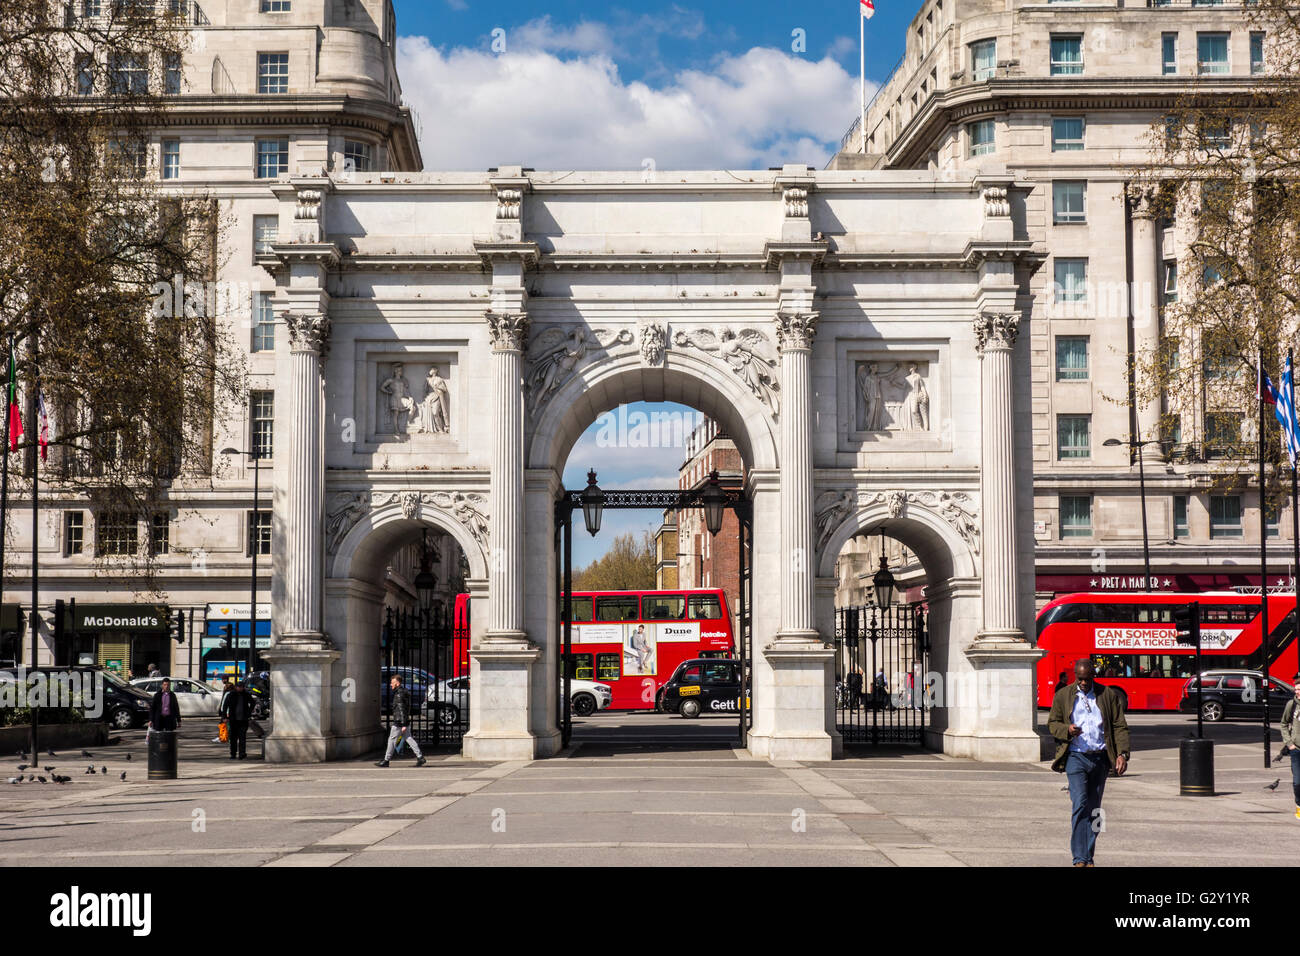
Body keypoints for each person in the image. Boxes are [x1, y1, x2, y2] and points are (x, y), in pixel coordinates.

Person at [1049, 659, 1131, 867]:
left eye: (1087, 679)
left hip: (1101, 758)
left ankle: (1088, 855)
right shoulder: (1063, 695)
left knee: (1096, 811)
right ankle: (1079, 858)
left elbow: (1119, 726)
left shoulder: (1107, 695)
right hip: (1076, 757)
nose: (1084, 683)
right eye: (1080, 679)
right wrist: (1066, 730)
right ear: (1075, 676)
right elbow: (1053, 723)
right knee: (1080, 804)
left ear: (1093, 675)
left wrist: (1122, 753)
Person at [376, 674, 426, 768]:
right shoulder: (403, 692)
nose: (391, 684)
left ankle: (386, 760)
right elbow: (406, 708)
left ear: (397, 683)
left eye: (392, 682)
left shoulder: (399, 694)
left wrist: (403, 724)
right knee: (409, 738)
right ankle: (420, 757)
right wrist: (406, 722)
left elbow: (401, 709)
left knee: (391, 740)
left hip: (399, 721)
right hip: (404, 720)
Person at [1280, 674, 1300, 821]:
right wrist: (1289, 743)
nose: (1297, 691)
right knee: (1298, 781)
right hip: (1296, 749)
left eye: (1299, 689)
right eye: (1296, 689)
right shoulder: (1291, 705)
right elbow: (1283, 724)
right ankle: (1299, 806)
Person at [219, 679, 254, 760]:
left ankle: (242, 753)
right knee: (233, 738)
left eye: (241, 687)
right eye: (238, 687)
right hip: (233, 719)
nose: (240, 689)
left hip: (243, 719)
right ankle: (233, 754)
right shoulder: (231, 695)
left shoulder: (246, 694)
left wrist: (249, 712)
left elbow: (252, 703)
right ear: (236, 687)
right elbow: (225, 706)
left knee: (242, 738)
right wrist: (224, 717)